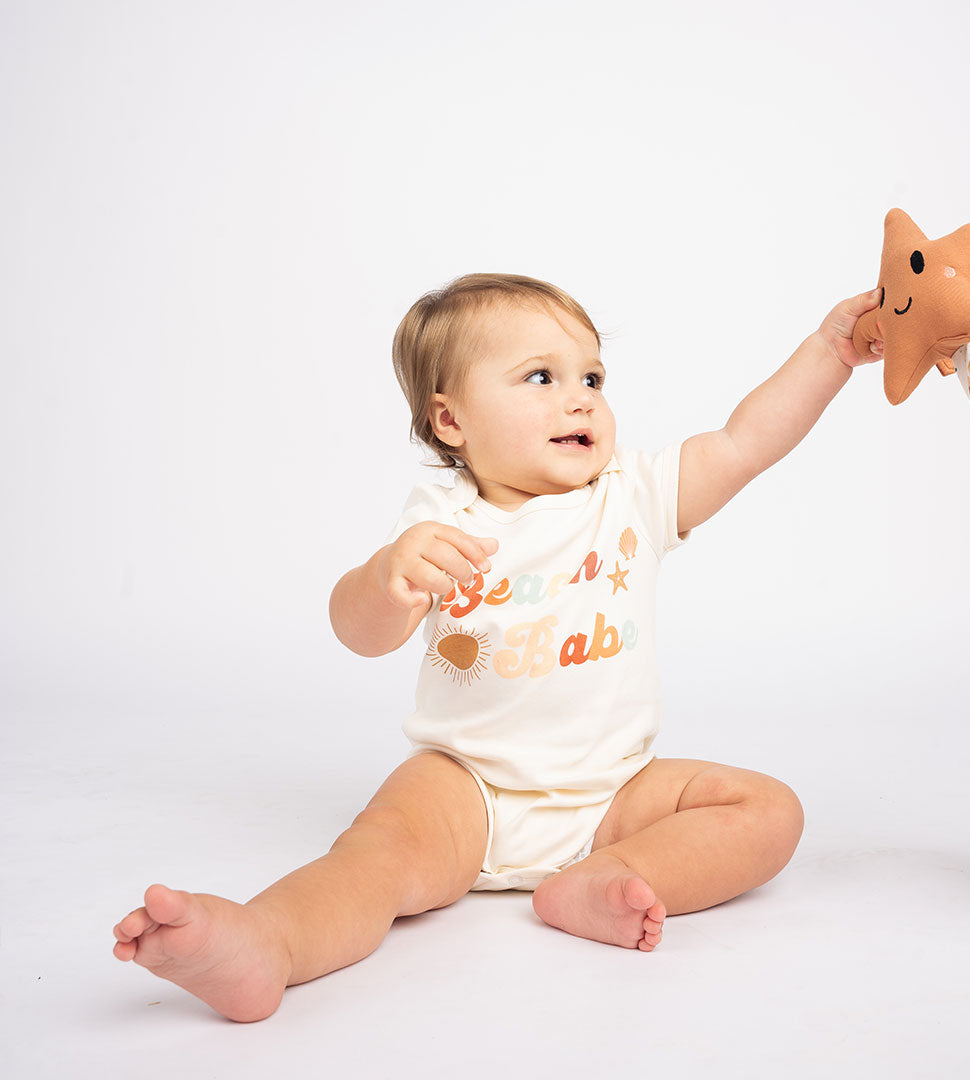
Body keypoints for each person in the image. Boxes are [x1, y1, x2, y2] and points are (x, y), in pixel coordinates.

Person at [112, 272, 884, 1022]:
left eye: (593, 375)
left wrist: (830, 350)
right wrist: (388, 579)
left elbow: (747, 441)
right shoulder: (439, 520)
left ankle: (605, 879)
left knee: (768, 810)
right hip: (464, 790)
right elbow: (358, 632)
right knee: (371, 858)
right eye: (541, 376)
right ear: (451, 421)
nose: (581, 395)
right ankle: (267, 944)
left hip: (614, 794)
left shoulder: (631, 496)